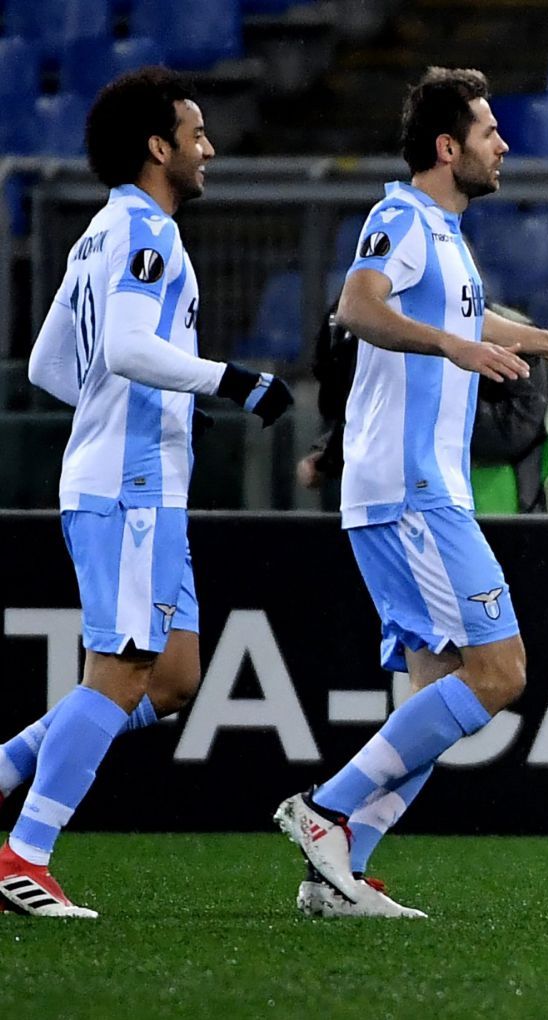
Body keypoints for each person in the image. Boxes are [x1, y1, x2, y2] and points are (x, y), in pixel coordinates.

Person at [271, 67, 548, 919]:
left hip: (417, 492)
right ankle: (324, 812)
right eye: (489, 130)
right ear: (446, 146)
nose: (503, 143)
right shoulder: (400, 216)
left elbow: (472, 319)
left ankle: (340, 873)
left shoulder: (446, 231)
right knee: (501, 673)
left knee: (440, 694)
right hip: (412, 492)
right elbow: (357, 309)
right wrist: (449, 349)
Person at [1, 67, 294, 917]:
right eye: (197, 135)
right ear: (159, 148)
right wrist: (228, 383)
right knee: (123, 669)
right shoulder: (146, 234)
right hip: (128, 489)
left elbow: (49, 366)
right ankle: (26, 853)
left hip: (138, 485)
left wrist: (142, 406)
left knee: (170, 678)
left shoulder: (97, 234)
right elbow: (127, 347)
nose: (210, 148)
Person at [298, 301, 548, 515]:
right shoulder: (361, 325)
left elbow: (513, 432)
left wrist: (412, 414)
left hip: (513, 507)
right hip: (409, 510)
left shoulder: (514, 331)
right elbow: (353, 404)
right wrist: (329, 452)